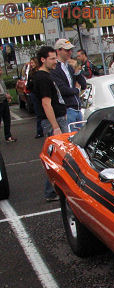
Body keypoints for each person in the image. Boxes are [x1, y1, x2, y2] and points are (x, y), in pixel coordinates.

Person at [33, 46, 68, 201]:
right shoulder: (42, 78)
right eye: (52, 59)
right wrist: (55, 127)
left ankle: (54, 190)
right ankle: (52, 191)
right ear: (43, 60)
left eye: (55, 58)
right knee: (57, 156)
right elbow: (46, 104)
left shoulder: (46, 76)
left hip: (56, 119)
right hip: (52, 122)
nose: (55, 62)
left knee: (58, 156)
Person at [51, 39, 86, 132]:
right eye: (67, 50)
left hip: (77, 107)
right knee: (70, 136)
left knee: (80, 136)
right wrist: (77, 90)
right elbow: (62, 90)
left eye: (70, 50)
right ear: (58, 51)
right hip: (67, 109)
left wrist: (77, 70)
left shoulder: (69, 66)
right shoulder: (55, 69)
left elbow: (83, 85)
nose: (70, 52)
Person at [25, 58, 44, 138]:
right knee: (38, 113)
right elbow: (28, 85)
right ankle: (39, 131)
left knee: (44, 112)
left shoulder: (40, 72)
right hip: (35, 95)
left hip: (41, 94)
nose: (32, 64)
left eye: (33, 63)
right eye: (31, 63)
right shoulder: (31, 73)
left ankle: (45, 129)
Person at [0, 77, 17, 143]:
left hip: (4, 102)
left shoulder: (1, 80)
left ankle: (8, 136)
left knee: (7, 119)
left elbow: (5, 90)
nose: (1, 72)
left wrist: (8, 96)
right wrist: (5, 96)